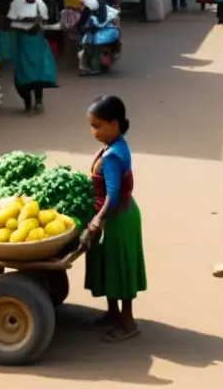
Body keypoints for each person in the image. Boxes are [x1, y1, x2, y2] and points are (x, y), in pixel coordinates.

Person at [82, 95, 146, 342]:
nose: (93, 131)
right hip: (118, 214)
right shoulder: (114, 144)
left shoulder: (112, 156)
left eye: (97, 125)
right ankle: (112, 314)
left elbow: (113, 193)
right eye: (91, 125)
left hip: (118, 218)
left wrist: (97, 219)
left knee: (120, 267)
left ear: (114, 123)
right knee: (108, 265)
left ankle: (128, 323)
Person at [6, 0, 57, 114]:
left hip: (35, 41)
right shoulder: (17, 3)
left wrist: (36, 24)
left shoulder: (39, 3)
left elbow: (45, 20)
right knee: (27, 74)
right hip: (25, 42)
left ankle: (36, 103)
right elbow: (11, 22)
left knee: (34, 75)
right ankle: (31, 104)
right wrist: (26, 23)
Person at [77, 0, 121, 75]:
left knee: (95, 51)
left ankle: (95, 68)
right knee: (89, 50)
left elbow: (104, 22)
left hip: (102, 35)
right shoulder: (89, 10)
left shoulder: (107, 12)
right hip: (92, 34)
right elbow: (83, 22)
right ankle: (91, 67)